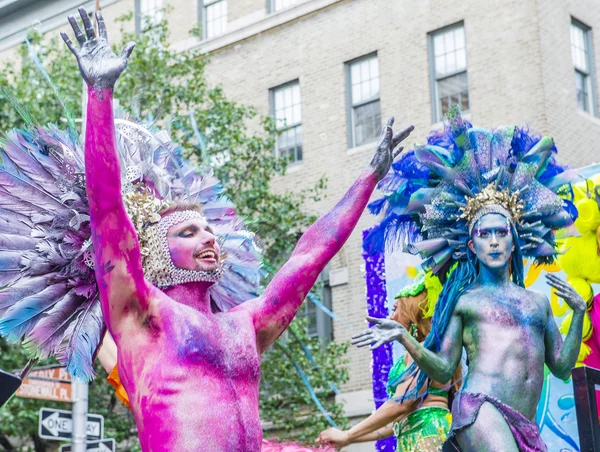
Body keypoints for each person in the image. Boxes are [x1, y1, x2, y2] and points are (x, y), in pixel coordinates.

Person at [56, 8, 414, 451]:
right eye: (188, 232)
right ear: (151, 251)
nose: (209, 237)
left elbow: (308, 257)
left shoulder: (247, 323)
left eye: (209, 229)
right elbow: (107, 210)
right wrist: (100, 93)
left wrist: (366, 181)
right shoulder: (141, 312)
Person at [353, 110, 584, 451]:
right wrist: (405, 337)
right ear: (472, 245)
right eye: (484, 233)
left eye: (501, 232)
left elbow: (563, 368)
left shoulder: (538, 303)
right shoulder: (467, 301)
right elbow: (445, 372)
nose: (493, 240)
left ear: (513, 240)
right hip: (480, 409)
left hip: (525, 424)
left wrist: (578, 312)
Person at [316, 273, 460, 451]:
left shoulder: (426, 349)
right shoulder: (429, 349)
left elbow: (400, 405)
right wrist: (349, 438)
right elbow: (397, 421)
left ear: (412, 312)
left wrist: (348, 434)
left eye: (395, 308)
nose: (391, 317)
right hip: (417, 435)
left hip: (426, 437)